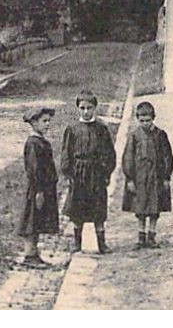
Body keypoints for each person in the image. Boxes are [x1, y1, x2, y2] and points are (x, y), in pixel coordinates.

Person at [59, 89, 117, 254]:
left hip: (96, 173)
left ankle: (102, 244)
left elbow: (109, 153)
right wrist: (68, 173)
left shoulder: (101, 129)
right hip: (78, 173)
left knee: (98, 209)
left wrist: (106, 173)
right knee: (78, 210)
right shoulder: (72, 129)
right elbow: (66, 153)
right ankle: (77, 244)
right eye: (83, 108)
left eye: (89, 108)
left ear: (95, 108)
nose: (86, 111)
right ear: (78, 108)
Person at [120, 100, 173, 249]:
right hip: (140, 177)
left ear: (153, 118)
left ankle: (152, 235)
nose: (145, 123)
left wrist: (166, 177)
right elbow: (128, 157)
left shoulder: (160, 135)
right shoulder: (134, 136)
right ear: (138, 119)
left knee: (155, 207)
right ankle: (141, 236)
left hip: (156, 177)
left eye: (148, 120)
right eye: (142, 120)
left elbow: (167, 156)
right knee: (141, 206)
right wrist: (129, 178)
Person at [17, 106, 59, 267]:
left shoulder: (41, 141)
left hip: (45, 187)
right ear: (34, 123)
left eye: (49, 121)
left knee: (38, 220)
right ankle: (29, 255)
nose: (47, 124)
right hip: (37, 188)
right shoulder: (33, 143)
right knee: (32, 221)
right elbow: (34, 169)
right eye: (44, 121)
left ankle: (34, 253)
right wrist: (39, 191)